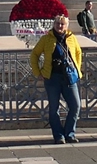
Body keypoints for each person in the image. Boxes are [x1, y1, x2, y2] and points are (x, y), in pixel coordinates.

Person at [30, 14, 84, 143]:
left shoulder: (72, 38)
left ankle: (70, 133)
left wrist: (77, 69)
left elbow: (78, 52)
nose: (60, 26)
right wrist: (38, 72)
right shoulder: (46, 39)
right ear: (54, 24)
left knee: (75, 106)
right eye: (57, 23)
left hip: (69, 77)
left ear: (66, 26)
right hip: (52, 77)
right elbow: (34, 55)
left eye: (62, 24)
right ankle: (58, 135)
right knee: (54, 108)